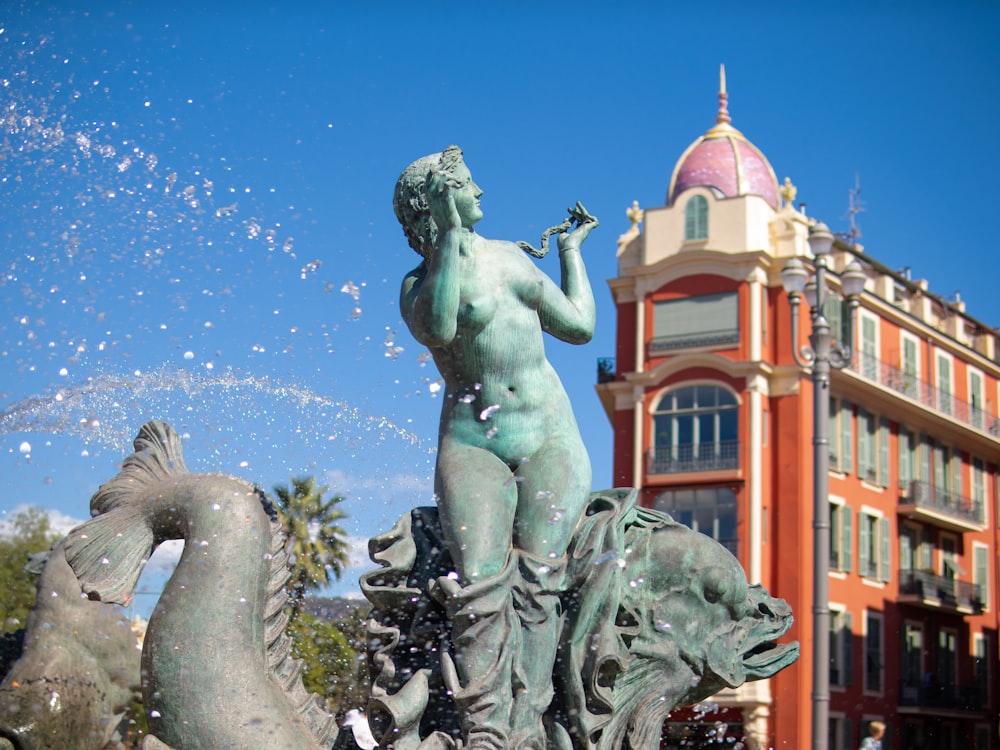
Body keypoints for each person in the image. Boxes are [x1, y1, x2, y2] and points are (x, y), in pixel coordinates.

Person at [394, 145, 597, 750]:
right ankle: (485, 729)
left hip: (550, 436)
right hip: (472, 444)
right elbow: (439, 327)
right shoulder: (417, 284)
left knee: (538, 581)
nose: (479, 189)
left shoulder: (511, 258)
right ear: (434, 199)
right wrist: (452, 240)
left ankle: (527, 724)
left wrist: (569, 256)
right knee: (480, 585)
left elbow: (580, 328)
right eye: (464, 184)